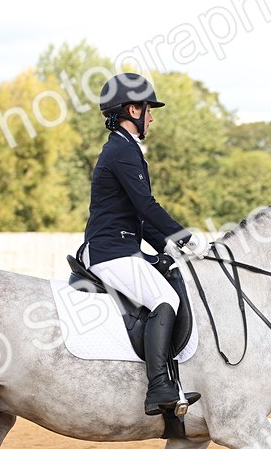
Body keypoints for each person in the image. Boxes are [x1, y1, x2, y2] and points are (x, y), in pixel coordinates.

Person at [81, 72, 209, 416]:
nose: (151, 118)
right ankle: (158, 387)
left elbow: (137, 216)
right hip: (111, 251)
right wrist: (185, 237)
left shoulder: (124, 148)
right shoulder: (122, 150)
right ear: (133, 110)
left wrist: (168, 246)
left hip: (122, 246)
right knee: (165, 299)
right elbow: (146, 205)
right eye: (148, 110)